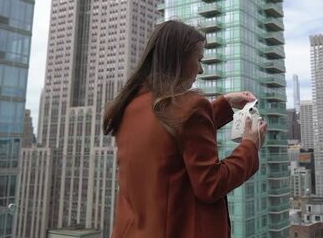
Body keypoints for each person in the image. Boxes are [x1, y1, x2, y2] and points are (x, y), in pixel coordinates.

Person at [103, 20, 267, 238]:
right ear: (179, 58)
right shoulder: (189, 108)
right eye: (198, 59)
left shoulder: (129, 106)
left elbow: (170, 135)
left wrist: (224, 104)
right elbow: (211, 184)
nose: (200, 68)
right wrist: (250, 146)